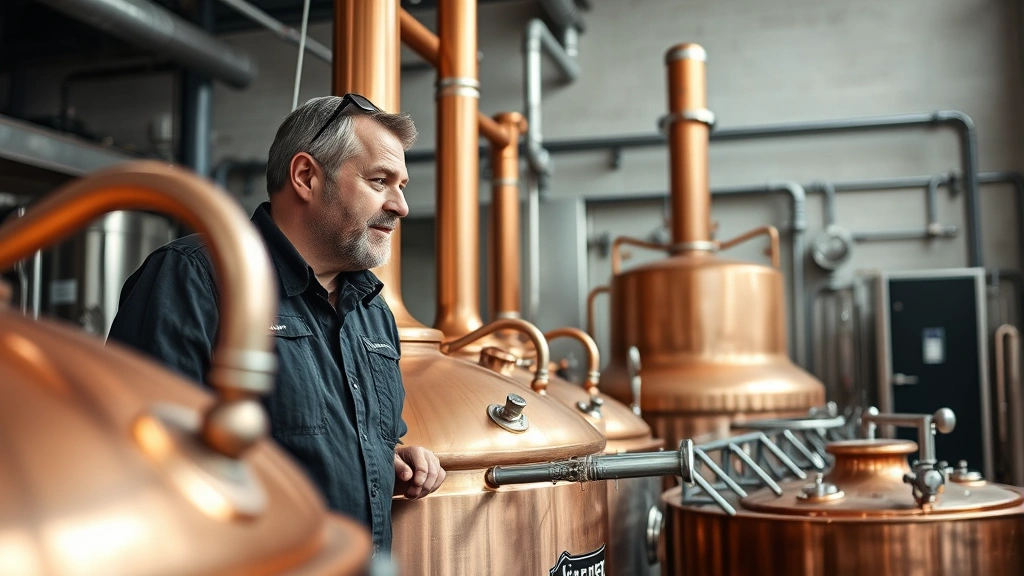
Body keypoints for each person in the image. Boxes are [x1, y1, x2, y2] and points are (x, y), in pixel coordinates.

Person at [108, 94, 446, 554]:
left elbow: (324, 445)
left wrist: (387, 459)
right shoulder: (197, 276)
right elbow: (145, 456)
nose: (401, 205)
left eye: (402, 185)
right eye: (380, 181)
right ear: (305, 176)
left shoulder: (371, 311)